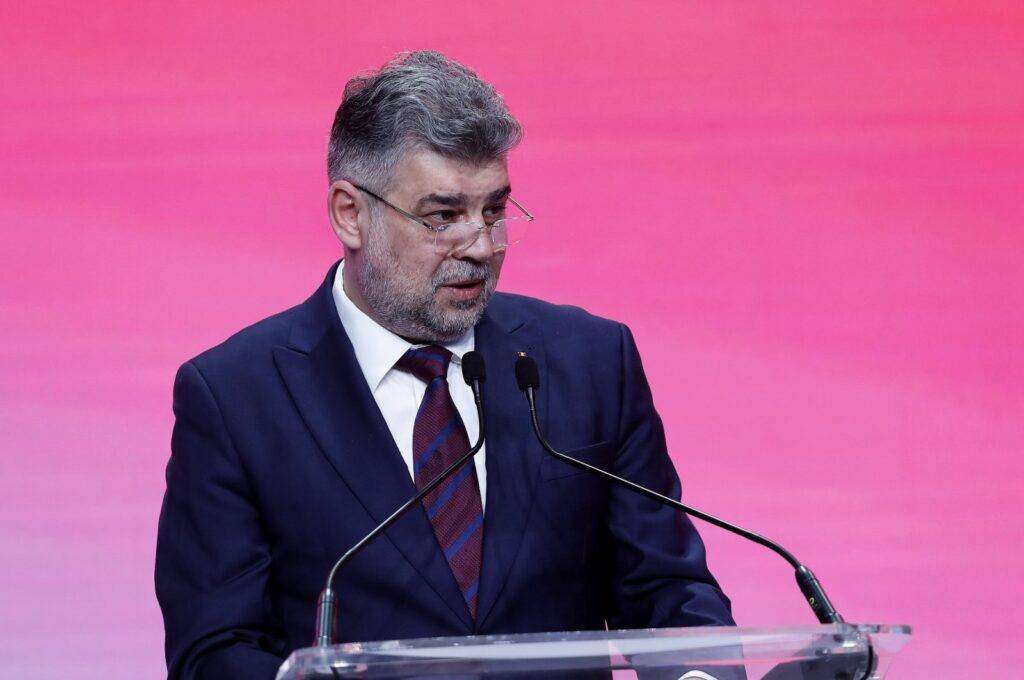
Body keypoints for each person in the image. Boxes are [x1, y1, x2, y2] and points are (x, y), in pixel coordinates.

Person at [155, 51, 735, 680]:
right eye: (443, 218)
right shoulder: (236, 398)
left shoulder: (590, 362)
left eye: (494, 211)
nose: (482, 247)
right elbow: (215, 649)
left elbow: (670, 592)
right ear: (350, 213)